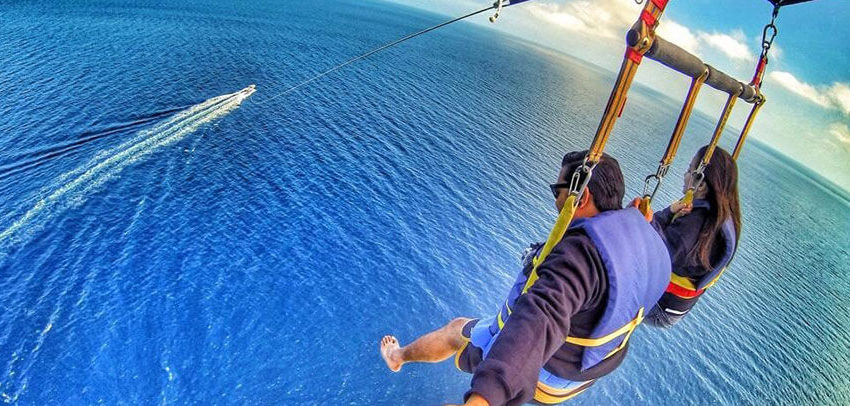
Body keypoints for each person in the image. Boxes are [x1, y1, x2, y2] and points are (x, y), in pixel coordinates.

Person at [379, 151, 671, 406]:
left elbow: (540, 317)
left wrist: (484, 398)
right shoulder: (646, 239)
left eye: (557, 190)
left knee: (457, 330)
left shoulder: (580, 257)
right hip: (584, 373)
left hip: (545, 373)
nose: (555, 199)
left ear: (580, 197)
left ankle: (397, 357)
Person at [645, 146, 742, 328]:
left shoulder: (693, 228)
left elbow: (649, 248)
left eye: (690, 170)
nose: (685, 174)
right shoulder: (720, 217)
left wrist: (659, 216)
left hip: (659, 308)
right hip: (674, 308)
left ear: (701, 182)